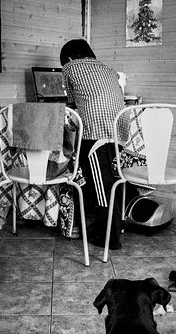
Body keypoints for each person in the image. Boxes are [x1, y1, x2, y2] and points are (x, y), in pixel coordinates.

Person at [60, 38, 129, 250]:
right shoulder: (109, 69)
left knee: (102, 185)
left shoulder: (70, 68)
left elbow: (71, 104)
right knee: (111, 180)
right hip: (120, 129)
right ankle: (108, 226)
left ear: (69, 58)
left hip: (97, 130)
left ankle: (110, 237)